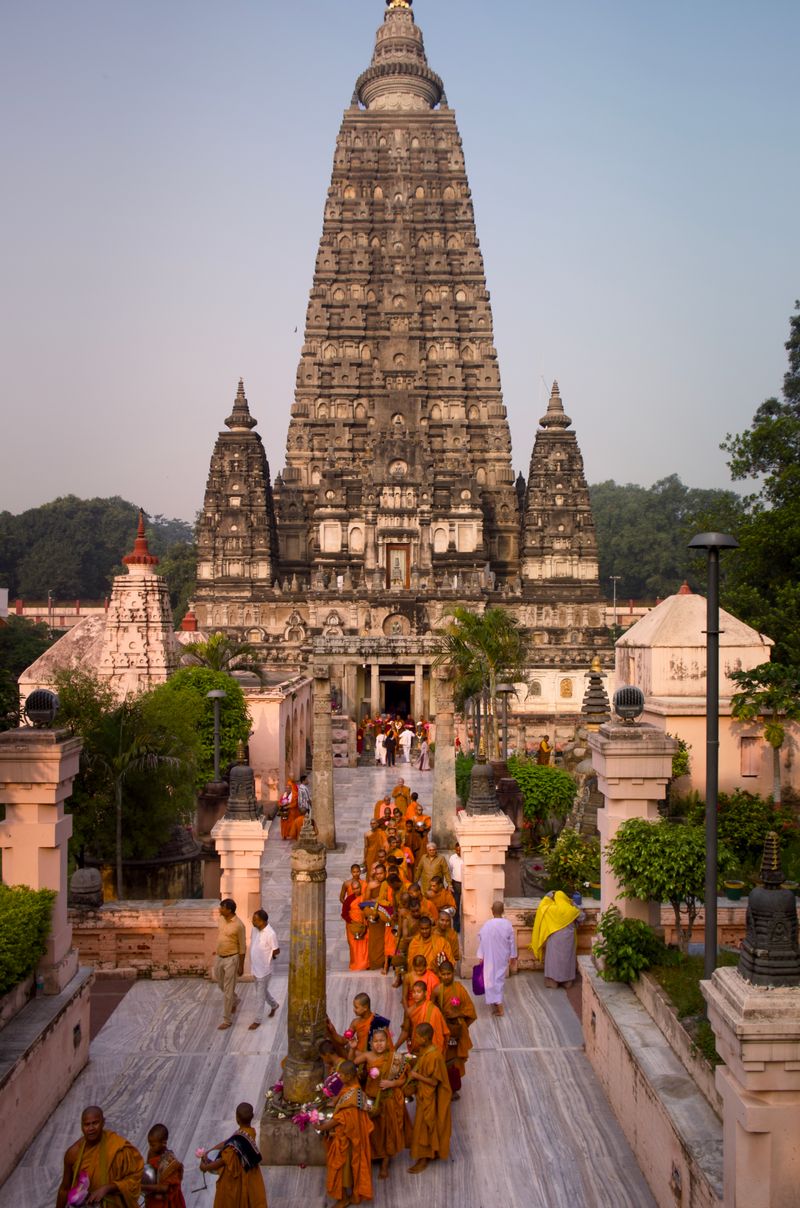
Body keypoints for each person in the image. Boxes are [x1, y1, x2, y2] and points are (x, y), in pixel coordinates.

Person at [352, 1028, 411, 1181]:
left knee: (387, 1132)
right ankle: (375, 1155)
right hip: (371, 1099)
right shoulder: (367, 1056)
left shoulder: (395, 1058)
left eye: (382, 1041)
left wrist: (392, 1083)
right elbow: (350, 1064)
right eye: (376, 1041)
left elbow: (404, 1080)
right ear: (371, 1043)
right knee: (373, 1131)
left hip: (388, 1100)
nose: (379, 1044)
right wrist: (352, 1049)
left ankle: (385, 1161)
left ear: (387, 1042)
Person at [56, 1106, 143, 1208]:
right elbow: (64, 1189)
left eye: (95, 1123)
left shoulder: (118, 1147)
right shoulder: (73, 1153)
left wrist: (108, 1188)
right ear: (81, 1126)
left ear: (103, 1122)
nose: (91, 1128)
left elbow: (134, 1179)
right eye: (87, 1124)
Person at [316, 1060, 373, 1207]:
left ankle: (344, 1198)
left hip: (347, 1140)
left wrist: (322, 1127)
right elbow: (340, 1098)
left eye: (341, 1075)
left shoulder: (352, 1100)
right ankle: (352, 1195)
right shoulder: (353, 1088)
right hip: (349, 1138)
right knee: (349, 1168)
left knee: (341, 1168)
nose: (339, 1077)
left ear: (349, 1076)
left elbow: (340, 1119)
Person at [198, 1102, 267, 1208]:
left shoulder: (233, 1147)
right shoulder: (249, 1133)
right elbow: (230, 1141)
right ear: (252, 1117)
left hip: (237, 1180)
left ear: (237, 1118)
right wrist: (209, 1151)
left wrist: (205, 1167)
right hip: (250, 1175)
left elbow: (222, 1161)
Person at [405, 1022, 452, 1174]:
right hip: (423, 1096)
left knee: (422, 1127)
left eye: (417, 1037)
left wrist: (416, 1075)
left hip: (430, 1099)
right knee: (425, 1126)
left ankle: (423, 1158)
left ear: (424, 1038)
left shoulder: (434, 1056)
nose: (415, 1039)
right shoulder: (425, 1051)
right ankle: (432, 1152)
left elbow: (433, 1081)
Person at [433, 961, 476, 1098]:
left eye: (448, 974)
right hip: (441, 1031)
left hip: (456, 1031)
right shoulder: (437, 991)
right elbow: (432, 1010)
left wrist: (460, 1027)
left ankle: (452, 1089)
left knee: (454, 1062)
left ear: (453, 974)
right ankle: (440, 1086)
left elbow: (470, 1011)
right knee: (440, 1059)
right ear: (439, 974)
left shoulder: (459, 989)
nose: (446, 977)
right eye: (443, 974)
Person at [530, 889, 585, 988]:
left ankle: (552, 981)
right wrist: (575, 904)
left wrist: (548, 895)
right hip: (569, 940)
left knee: (553, 959)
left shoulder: (551, 909)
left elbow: (542, 906)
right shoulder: (571, 910)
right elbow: (582, 917)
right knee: (567, 959)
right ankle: (567, 981)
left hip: (554, 940)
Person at [477, 900, 518, 1016]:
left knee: (491, 979)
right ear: (503, 911)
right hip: (502, 956)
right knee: (498, 979)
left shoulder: (487, 925)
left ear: (492, 911)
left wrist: (481, 955)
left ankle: (499, 1006)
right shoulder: (508, 924)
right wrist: (513, 956)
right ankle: (495, 1003)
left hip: (489, 956)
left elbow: (482, 939)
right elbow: (512, 942)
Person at [214, 898, 246, 1031]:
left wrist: (241, 966)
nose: (219, 910)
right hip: (219, 957)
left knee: (227, 990)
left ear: (229, 910)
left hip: (231, 959)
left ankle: (227, 1020)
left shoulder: (239, 925)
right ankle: (235, 999)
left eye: (222, 908)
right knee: (220, 984)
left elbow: (243, 947)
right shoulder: (221, 919)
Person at [397, 980, 448, 1055]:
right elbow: (405, 1031)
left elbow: (442, 1031)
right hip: (417, 1046)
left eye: (418, 992)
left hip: (433, 1049)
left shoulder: (434, 1010)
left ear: (425, 993)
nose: (415, 995)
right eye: (413, 992)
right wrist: (395, 1047)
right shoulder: (409, 1011)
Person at [248, 909, 279, 1029]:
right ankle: (274, 1005)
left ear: (263, 921)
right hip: (255, 968)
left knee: (259, 996)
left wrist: (271, 956)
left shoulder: (270, 934)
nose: (252, 921)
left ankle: (257, 1020)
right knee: (263, 991)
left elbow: (276, 949)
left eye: (255, 920)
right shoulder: (255, 929)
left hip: (264, 970)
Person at [143, 1124, 186, 1208]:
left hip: (168, 1201)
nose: (150, 1147)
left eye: (153, 1145)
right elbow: (148, 1170)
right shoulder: (151, 1152)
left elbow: (164, 1188)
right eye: (149, 1144)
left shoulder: (170, 1163)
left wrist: (142, 1187)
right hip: (154, 1197)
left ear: (164, 1143)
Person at [448, 842, 463, 932]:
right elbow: (450, 870)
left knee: (466, 906)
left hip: (465, 884)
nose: (458, 852)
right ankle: (456, 927)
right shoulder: (452, 858)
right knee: (455, 905)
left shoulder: (467, 857)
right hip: (456, 883)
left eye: (460, 850)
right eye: (457, 850)